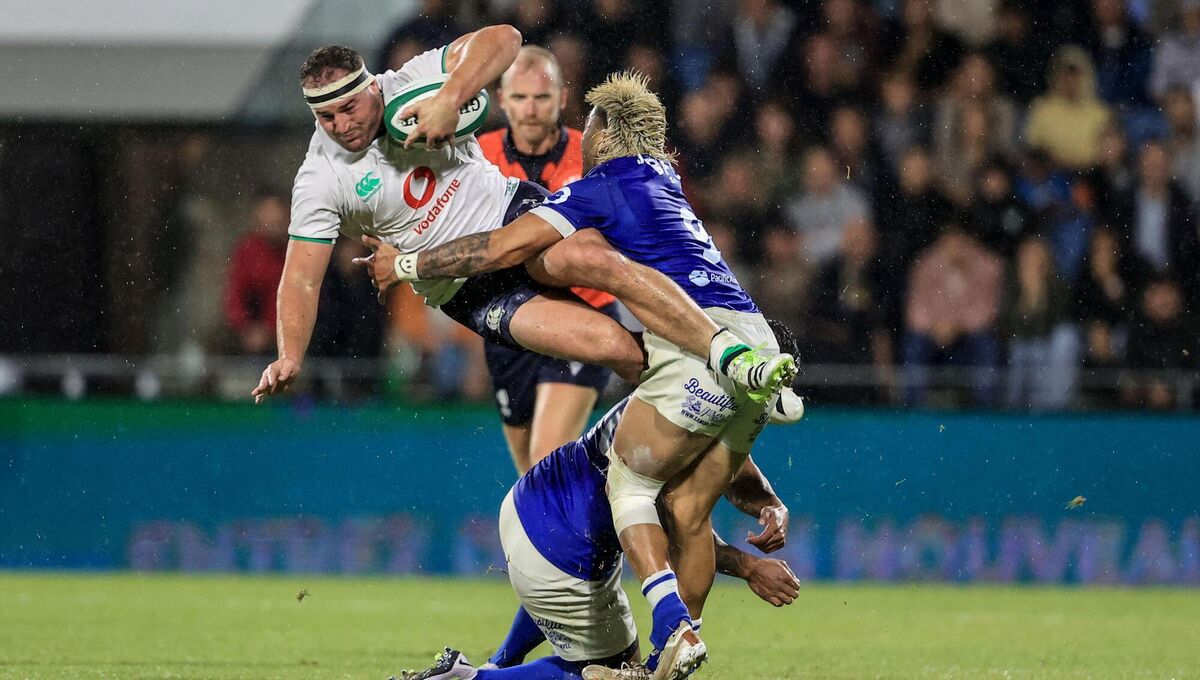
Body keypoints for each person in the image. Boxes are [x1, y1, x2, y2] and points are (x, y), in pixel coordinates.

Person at [359, 72, 800, 679]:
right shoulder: (666, 180)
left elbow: (497, 251)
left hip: (690, 350)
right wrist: (768, 510)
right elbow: (686, 507)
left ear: (606, 131)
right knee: (688, 510)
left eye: (589, 124)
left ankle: (670, 628)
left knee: (632, 487)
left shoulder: (600, 188)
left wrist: (407, 262)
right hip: (755, 336)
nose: (581, 135)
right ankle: (668, 655)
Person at [253, 31, 792, 409]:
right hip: (465, 288)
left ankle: (729, 352)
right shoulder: (318, 177)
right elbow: (301, 275)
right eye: (326, 116)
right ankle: (718, 416)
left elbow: (505, 39)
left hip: (510, 214)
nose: (341, 124)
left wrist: (450, 99)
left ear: (371, 87)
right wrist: (289, 356)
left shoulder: (410, 81)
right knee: (614, 349)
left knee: (591, 258)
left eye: (349, 107)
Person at [390, 395, 800, 680]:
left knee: (577, 604)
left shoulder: (686, 391)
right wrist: (746, 565)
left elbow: (736, 472)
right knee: (620, 671)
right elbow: (678, 522)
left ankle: (501, 662)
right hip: (561, 542)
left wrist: (772, 505)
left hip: (535, 505)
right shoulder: (688, 426)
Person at [475, 45, 615, 473]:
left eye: (541, 97)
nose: (531, 109)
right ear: (502, 100)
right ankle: (602, 528)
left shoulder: (594, 154)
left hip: (582, 313)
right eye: (519, 98)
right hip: (507, 323)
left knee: (544, 461)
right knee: (529, 481)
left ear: (563, 98)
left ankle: (618, 527)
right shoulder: (476, 156)